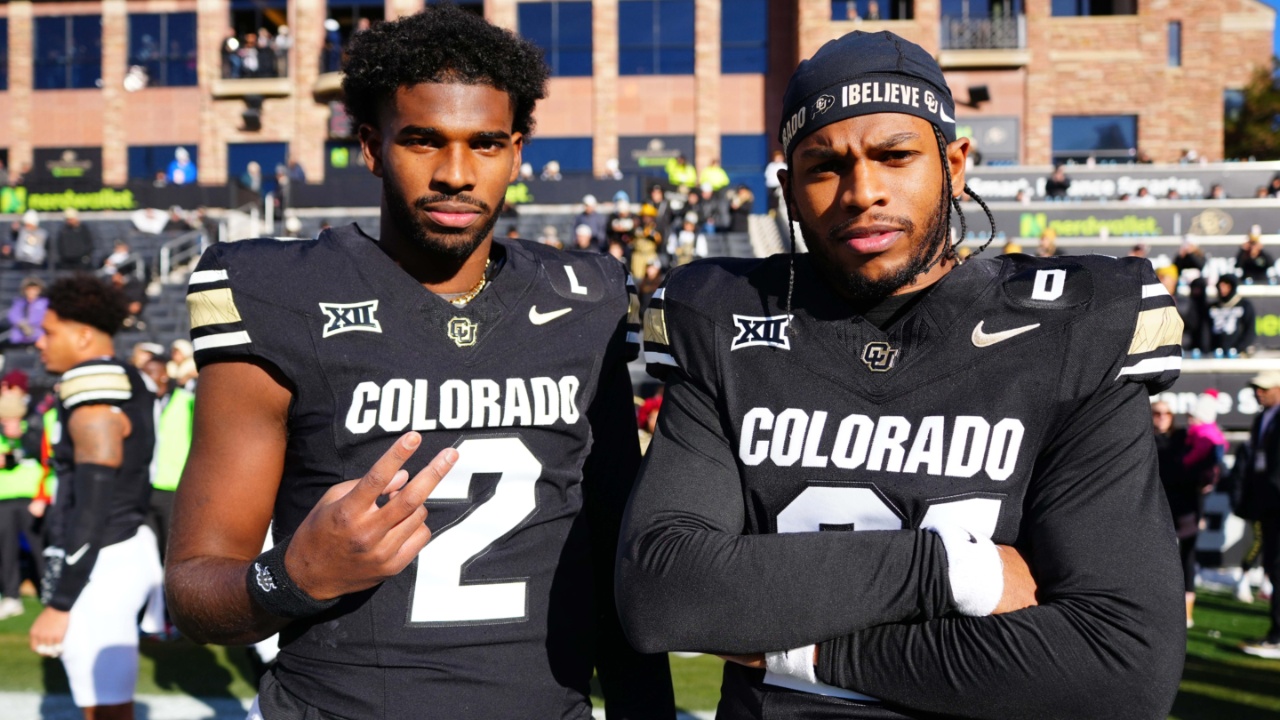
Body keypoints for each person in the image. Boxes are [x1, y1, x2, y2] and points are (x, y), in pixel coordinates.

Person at [617, 30, 1185, 719]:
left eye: (895, 156)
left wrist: (803, 655)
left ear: (955, 163)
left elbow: (1122, 668)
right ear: (789, 190)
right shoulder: (722, 317)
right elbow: (664, 594)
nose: (863, 191)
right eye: (825, 166)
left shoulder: (1075, 326)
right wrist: (954, 571)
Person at [164, 7, 672, 720]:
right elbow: (192, 590)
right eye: (423, 141)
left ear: (517, 151)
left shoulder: (584, 297)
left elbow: (619, 560)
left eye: (486, 144)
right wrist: (294, 576)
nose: (457, 173)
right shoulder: (280, 295)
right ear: (372, 146)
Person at [28, 275, 160, 719]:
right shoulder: (126, 378)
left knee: (104, 710)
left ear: (83, 335)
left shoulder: (93, 385)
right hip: (120, 546)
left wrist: (61, 601)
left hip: (102, 558)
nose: (39, 344)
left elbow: (93, 501)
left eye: (49, 332)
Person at [1237, 371, 1280, 658]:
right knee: (1273, 568)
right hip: (1267, 506)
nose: (1258, 393)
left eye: (1264, 388)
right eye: (1255, 388)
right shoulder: (1260, 419)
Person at [142, 354, 194, 563]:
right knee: (148, 551)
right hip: (146, 486)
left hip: (174, 487)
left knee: (171, 549)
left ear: (164, 375)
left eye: (150, 373)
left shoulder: (187, 401)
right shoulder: (142, 404)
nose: (145, 378)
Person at [0, 383, 43, 620]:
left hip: (31, 501)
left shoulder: (33, 433)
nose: (8, 425)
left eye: (11, 419)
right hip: (4, 501)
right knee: (6, 552)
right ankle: (11, 596)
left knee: (39, 549)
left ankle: (50, 593)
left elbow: (47, 464)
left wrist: (41, 498)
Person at [1208, 273, 1255, 357]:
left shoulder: (1244, 305)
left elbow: (1250, 331)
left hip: (1238, 353)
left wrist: (1239, 348)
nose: (1222, 289)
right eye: (1220, 286)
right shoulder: (1212, 307)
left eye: (1226, 286)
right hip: (1215, 353)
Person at [5, 277, 48, 348]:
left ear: (39, 290)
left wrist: (31, 327)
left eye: (35, 289)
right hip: (19, 340)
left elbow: (44, 318)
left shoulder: (44, 303)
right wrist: (22, 324)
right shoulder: (19, 302)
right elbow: (12, 315)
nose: (32, 291)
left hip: (37, 339)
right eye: (29, 289)